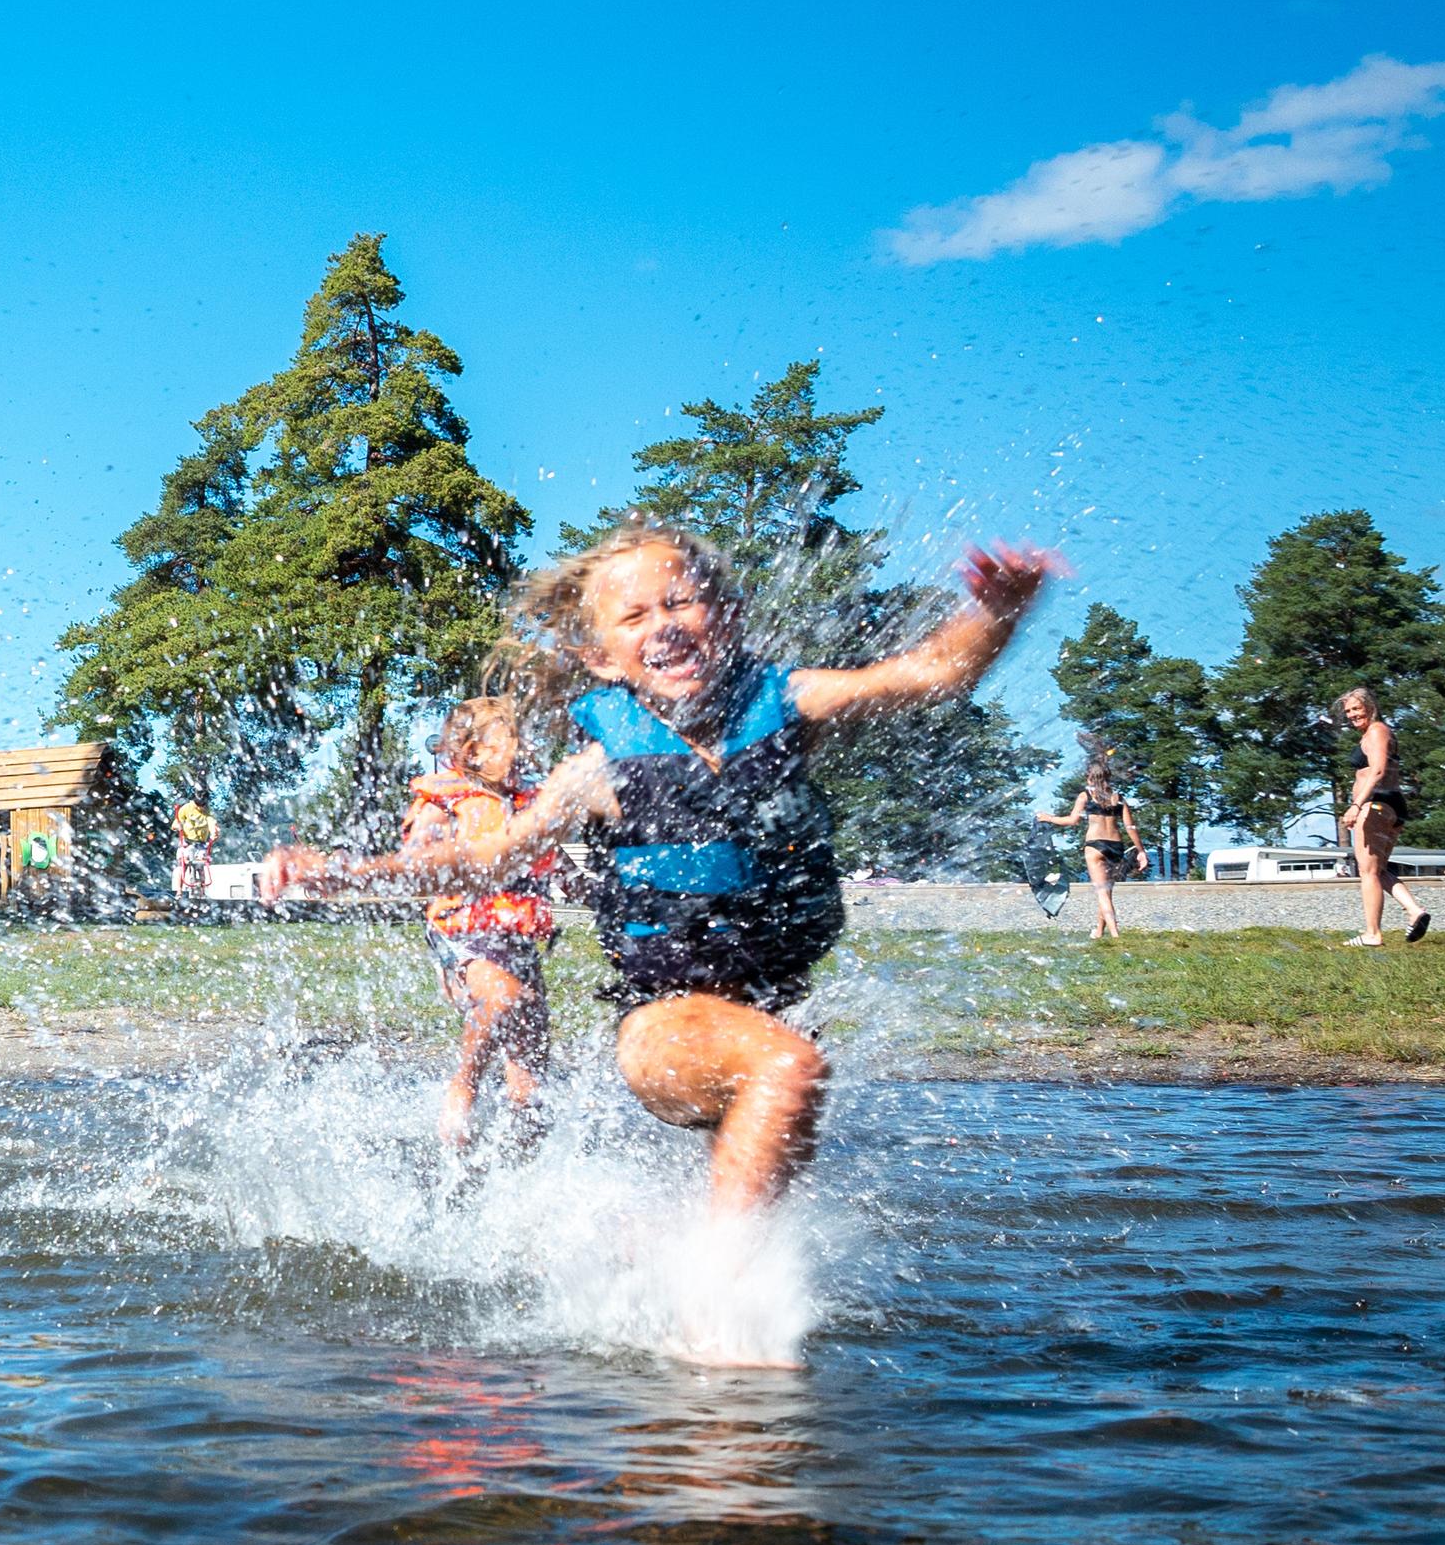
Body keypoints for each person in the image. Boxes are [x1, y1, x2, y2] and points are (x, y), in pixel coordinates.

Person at [269, 519, 1060, 1219]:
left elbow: (931, 672)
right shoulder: (600, 770)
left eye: (681, 602)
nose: (665, 624)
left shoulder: (790, 704)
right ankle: (722, 1298)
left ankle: (673, 1272)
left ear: (729, 617)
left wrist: (995, 612)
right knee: (788, 1070)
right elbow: (483, 859)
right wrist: (337, 872)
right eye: (635, 615)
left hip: (771, 1009)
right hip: (662, 1023)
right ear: (601, 657)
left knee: (781, 1095)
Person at [401, 697, 557, 1157]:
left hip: (514, 936)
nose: (526, 749)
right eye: (513, 741)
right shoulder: (446, 799)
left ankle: (517, 1160)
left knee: (530, 1073)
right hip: (463, 934)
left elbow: (553, 861)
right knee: (502, 996)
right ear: (472, 752)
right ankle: (464, 1084)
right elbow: (415, 858)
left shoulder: (526, 800)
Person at [1337, 686, 1433, 946]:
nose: (1352, 715)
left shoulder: (1377, 731)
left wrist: (1356, 805)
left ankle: (1373, 934)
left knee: (1367, 871)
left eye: (1357, 708)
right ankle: (1414, 911)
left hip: (1377, 804)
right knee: (1377, 870)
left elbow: (1378, 771)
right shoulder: (1373, 733)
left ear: (1370, 707)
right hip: (1389, 804)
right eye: (1348, 711)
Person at [1034, 758, 1147, 940]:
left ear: (1089, 777)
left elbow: (1072, 821)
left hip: (1095, 846)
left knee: (1102, 893)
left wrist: (1049, 818)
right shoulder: (1118, 798)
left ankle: (1116, 936)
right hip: (1116, 846)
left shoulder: (1085, 796)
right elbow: (1130, 827)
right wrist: (1141, 851)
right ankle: (1099, 932)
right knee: (1106, 892)